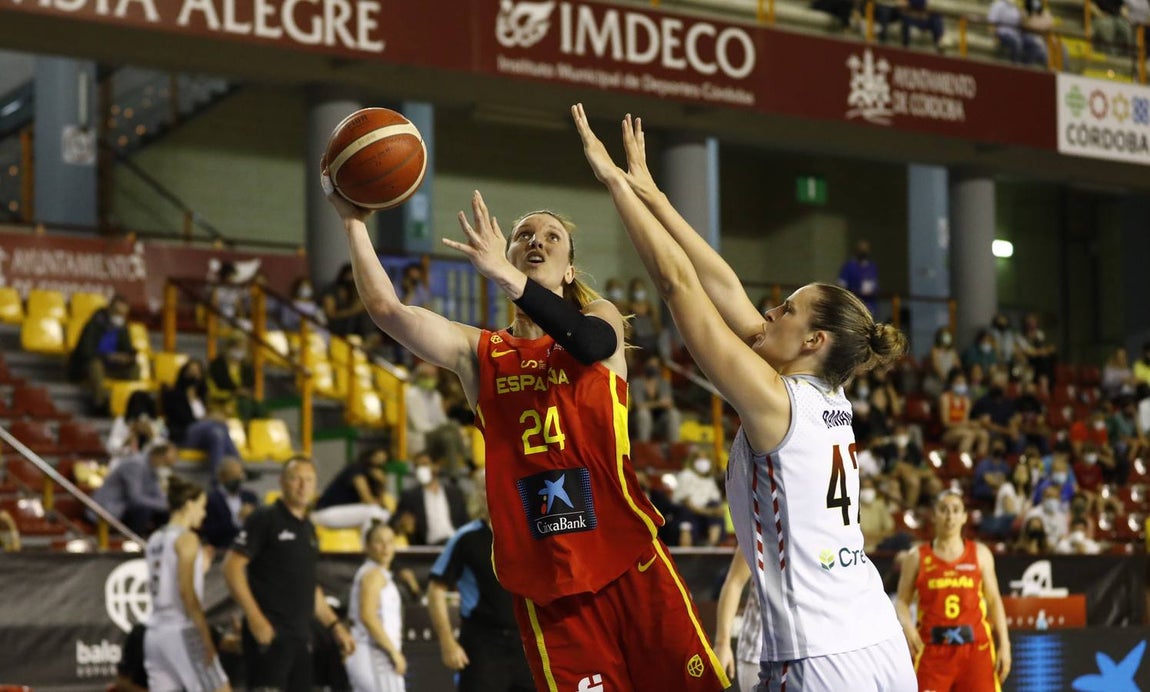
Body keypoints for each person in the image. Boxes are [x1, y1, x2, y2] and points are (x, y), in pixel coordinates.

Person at [325, 162, 728, 690]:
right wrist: (353, 221)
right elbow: (386, 310)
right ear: (505, 255)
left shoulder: (599, 318)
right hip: (549, 581)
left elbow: (590, 344)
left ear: (568, 270)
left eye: (551, 237)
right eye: (523, 236)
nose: (536, 241)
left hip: (629, 557)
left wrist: (510, 279)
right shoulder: (481, 353)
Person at [573, 105, 912, 689]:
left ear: (812, 339)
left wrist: (613, 186)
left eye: (786, 308)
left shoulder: (774, 400)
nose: (770, 312)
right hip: (876, 639)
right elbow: (724, 283)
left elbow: (679, 284)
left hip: (818, 655)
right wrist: (653, 194)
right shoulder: (830, 390)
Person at [222, 457, 355, 691]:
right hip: (269, 635)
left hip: (300, 638)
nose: (302, 486)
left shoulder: (309, 529)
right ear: (282, 482)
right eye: (296, 478)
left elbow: (310, 588)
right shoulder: (265, 518)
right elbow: (231, 567)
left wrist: (335, 626)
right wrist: (255, 619)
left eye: (309, 480)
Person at [428, 472, 534, 692]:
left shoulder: (527, 534)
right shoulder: (465, 538)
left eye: (496, 485)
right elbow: (435, 590)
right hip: (482, 646)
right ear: (478, 494)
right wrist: (447, 644)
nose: (491, 492)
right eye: (484, 487)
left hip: (524, 644)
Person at [895, 491, 1011, 691]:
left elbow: (994, 602)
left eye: (956, 510)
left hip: (976, 649)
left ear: (964, 516)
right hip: (932, 649)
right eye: (943, 510)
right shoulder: (916, 557)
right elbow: (902, 601)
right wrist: (907, 626)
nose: (950, 516)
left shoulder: (981, 554)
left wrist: (1005, 645)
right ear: (934, 515)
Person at [144, 475, 230, 691]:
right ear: (189, 504)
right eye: (202, 507)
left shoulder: (154, 538)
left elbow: (168, 575)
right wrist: (205, 636)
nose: (204, 513)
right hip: (181, 628)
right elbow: (186, 592)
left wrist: (200, 569)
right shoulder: (187, 539)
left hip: (155, 633)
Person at [343, 521, 406, 692]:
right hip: (373, 652)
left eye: (390, 541)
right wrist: (394, 652)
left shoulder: (378, 573)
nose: (385, 547)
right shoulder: (373, 574)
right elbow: (368, 616)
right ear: (368, 547)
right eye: (379, 541)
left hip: (374, 652)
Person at [68, 294, 139, 412]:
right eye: (117, 312)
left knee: (135, 368)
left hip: (113, 366)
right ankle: (99, 404)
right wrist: (108, 357)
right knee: (96, 365)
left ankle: (129, 403)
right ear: (110, 309)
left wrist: (127, 357)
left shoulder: (123, 328)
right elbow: (86, 351)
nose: (120, 316)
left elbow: (128, 349)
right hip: (88, 366)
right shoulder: (94, 324)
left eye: (123, 314)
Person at [91, 443, 176, 536]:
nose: (166, 467)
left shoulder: (152, 468)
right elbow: (136, 498)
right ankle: (134, 543)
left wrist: (168, 505)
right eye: (166, 463)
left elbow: (156, 494)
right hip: (107, 508)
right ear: (158, 456)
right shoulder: (135, 464)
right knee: (144, 510)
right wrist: (163, 505)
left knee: (165, 513)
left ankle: (158, 542)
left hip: (125, 507)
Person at [714, 551, 764, 692]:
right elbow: (734, 582)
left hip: (814, 652)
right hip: (757, 653)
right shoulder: (762, 529)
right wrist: (722, 643)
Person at [395, 452, 469, 546]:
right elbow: (395, 521)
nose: (421, 469)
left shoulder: (454, 493)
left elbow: (465, 521)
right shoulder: (410, 496)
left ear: (436, 467)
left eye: (425, 464)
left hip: (456, 544)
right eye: (417, 466)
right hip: (429, 547)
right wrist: (402, 523)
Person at [201, 458, 259, 550]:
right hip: (223, 549)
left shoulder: (251, 497)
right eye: (232, 475)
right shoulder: (210, 500)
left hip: (250, 549)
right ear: (222, 477)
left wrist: (253, 517)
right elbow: (210, 532)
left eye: (239, 474)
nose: (237, 479)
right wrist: (237, 519)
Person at [106, 390, 166, 472]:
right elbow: (111, 449)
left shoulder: (156, 424)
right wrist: (125, 442)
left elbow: (163, 452)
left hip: (148, 466)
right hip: (124, 463)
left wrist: (152, 436)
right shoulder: (122, 422)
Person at [207, 334, 262, 421]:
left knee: (259, 407)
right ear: (229, 348)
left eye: (243, 348)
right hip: (221, 404)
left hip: (242, 402)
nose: (241, 351)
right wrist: (234, 393)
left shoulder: (246, 367)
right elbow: (211, 392)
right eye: (238, 347)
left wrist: (245, 393)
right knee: (245, 405)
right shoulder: (217, 366)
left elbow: (251, 390)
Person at [631, 354, 683, 442]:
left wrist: (654, 404)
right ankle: (643, 447)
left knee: (674, 414)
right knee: (643, 414)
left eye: (656, 365)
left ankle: (674, 447)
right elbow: (639, 406)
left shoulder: (664, 383)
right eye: (651, 365)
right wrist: (659, 403)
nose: (653, 367)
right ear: (645, 365)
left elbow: (668, 404)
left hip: (660, 419)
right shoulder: (636, 383)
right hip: (638, 419)